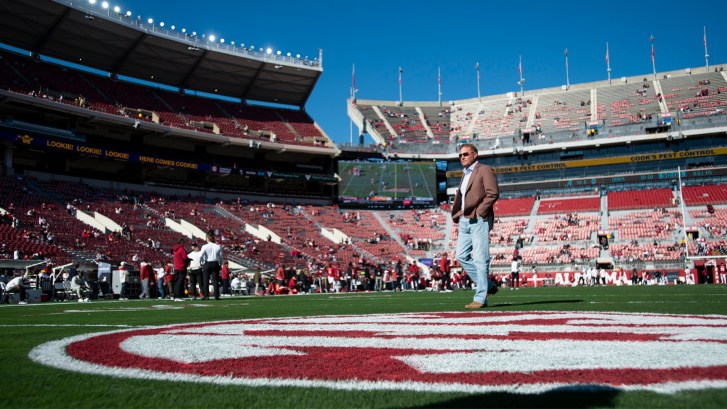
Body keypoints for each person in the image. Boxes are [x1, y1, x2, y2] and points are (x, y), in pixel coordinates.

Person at [451, 143, 500, 309]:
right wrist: (459, 213)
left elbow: (493, 192)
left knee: (480, 259)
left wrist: (480, 212)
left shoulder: (484, 169)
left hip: (478, 218)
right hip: (465, 219)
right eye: (460, 155)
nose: (462, 157)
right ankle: (489, 286)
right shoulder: (465, 173)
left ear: (474, 155)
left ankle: (481, 298)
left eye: (465, 154)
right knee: (461, 256)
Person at [200, 233, 223, 300]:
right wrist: (220, 264)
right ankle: (216, 296)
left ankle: (206, 296)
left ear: (208, 239)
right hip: (215, 263)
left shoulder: (205, 246)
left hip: (207, 263)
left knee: (205, 280)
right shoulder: (218, 246)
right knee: (215, 280)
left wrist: (201, 263)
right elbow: (221, 257)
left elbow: (201, 256)